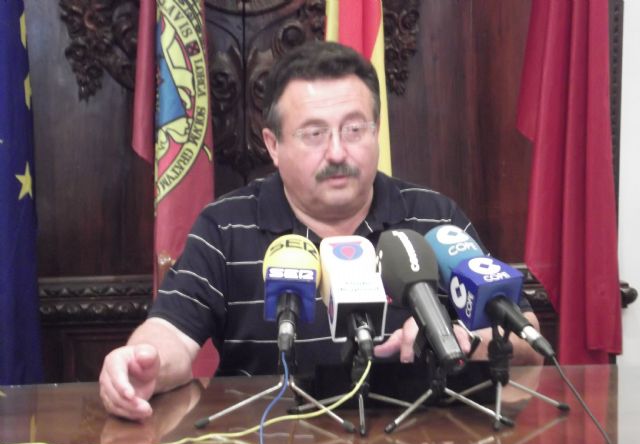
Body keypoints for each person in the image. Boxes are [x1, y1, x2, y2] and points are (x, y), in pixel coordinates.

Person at [100, 41, 543, 420]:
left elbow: (525, 335)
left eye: (354, 129)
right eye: (314, 134)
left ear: (376, 131)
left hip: (419, 442)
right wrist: (141, 364)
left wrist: (467, 341)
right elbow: (171, 335)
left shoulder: (434, 219)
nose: (337, 152)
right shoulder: (225, 226)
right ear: (273, 145)